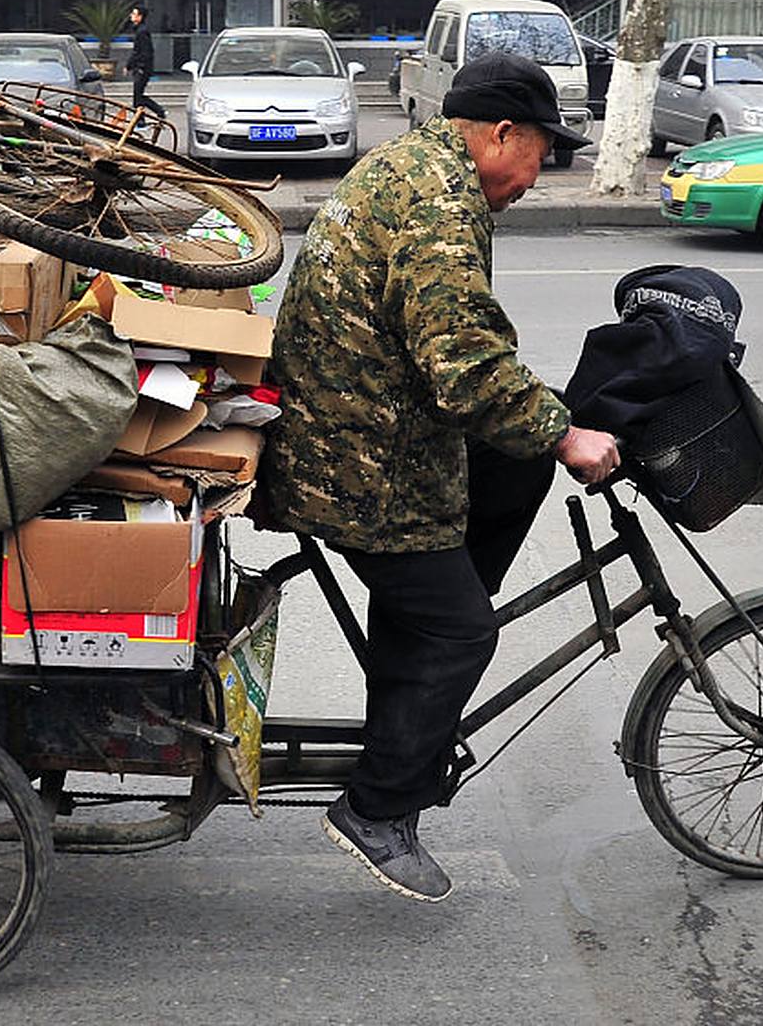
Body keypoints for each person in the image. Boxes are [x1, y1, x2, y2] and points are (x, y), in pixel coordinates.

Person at [262, 52, 622, 903]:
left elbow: (457, 345)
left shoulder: (419, 165)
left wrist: (544, 428)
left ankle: (424, 625)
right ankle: (378, 810)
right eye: (542, 153)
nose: (540, 176)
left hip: (368, 426)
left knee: (519, 455)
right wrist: (566, 434)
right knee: (463, 632)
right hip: (355, 462)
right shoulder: (435, 203)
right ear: (501, 132)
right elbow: (462, 362)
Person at [125, 5, 165, 119]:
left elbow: (142, 52)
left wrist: (133, 65)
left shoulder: (142, 32)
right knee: (138, 96)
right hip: (140, 67)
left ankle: (157, 111)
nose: (131, 16)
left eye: (134, 14)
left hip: (142, 68)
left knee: (138, 97)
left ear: (140, 17)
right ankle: (141, 119)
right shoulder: (139, 30)